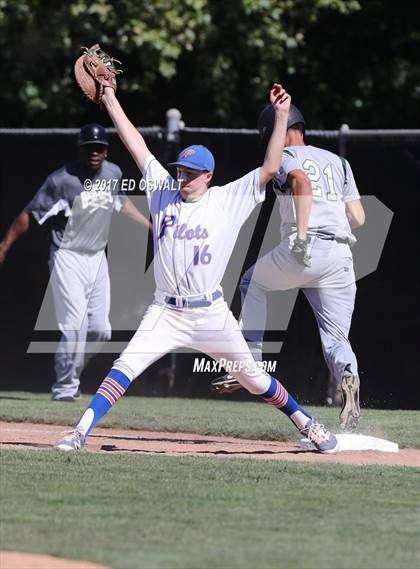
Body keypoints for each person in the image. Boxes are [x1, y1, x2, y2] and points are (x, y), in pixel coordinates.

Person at [55, 83, 339, 454]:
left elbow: (271, 167)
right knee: (124, 367)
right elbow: (135, 145)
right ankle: (79, 431)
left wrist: (282, 116)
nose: (181, 177)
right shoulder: (162, 191)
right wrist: (109, 99)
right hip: (166, 311)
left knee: (254, 379)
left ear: (208, 176)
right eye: (179, 170)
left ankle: (309, 424)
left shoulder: (227, 199)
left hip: (210, 313)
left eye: (190, 173)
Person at [210, 104, 365, 432]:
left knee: (252, 282)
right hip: (340, 256)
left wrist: (304, 234)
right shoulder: (339, 162)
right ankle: (348, 375)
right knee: (337, 339)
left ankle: (248, 360)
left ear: (273, 133)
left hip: (304, 247)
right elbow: (358, 217)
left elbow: (300, 181)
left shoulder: (285, 157)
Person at [0, 124, 151, 401]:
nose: (94, 152)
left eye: (99, 147)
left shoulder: (113, 173)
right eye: (89, 147)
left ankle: (71, 375)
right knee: (75, 327)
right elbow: (29, 215)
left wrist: (150, 226)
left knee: (100, 331)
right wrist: (4, 246)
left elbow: (120, 202)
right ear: (80, 150)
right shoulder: (62, 180)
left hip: (96, 257)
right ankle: (65, 388)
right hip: (66, 256)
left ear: (106, 150)